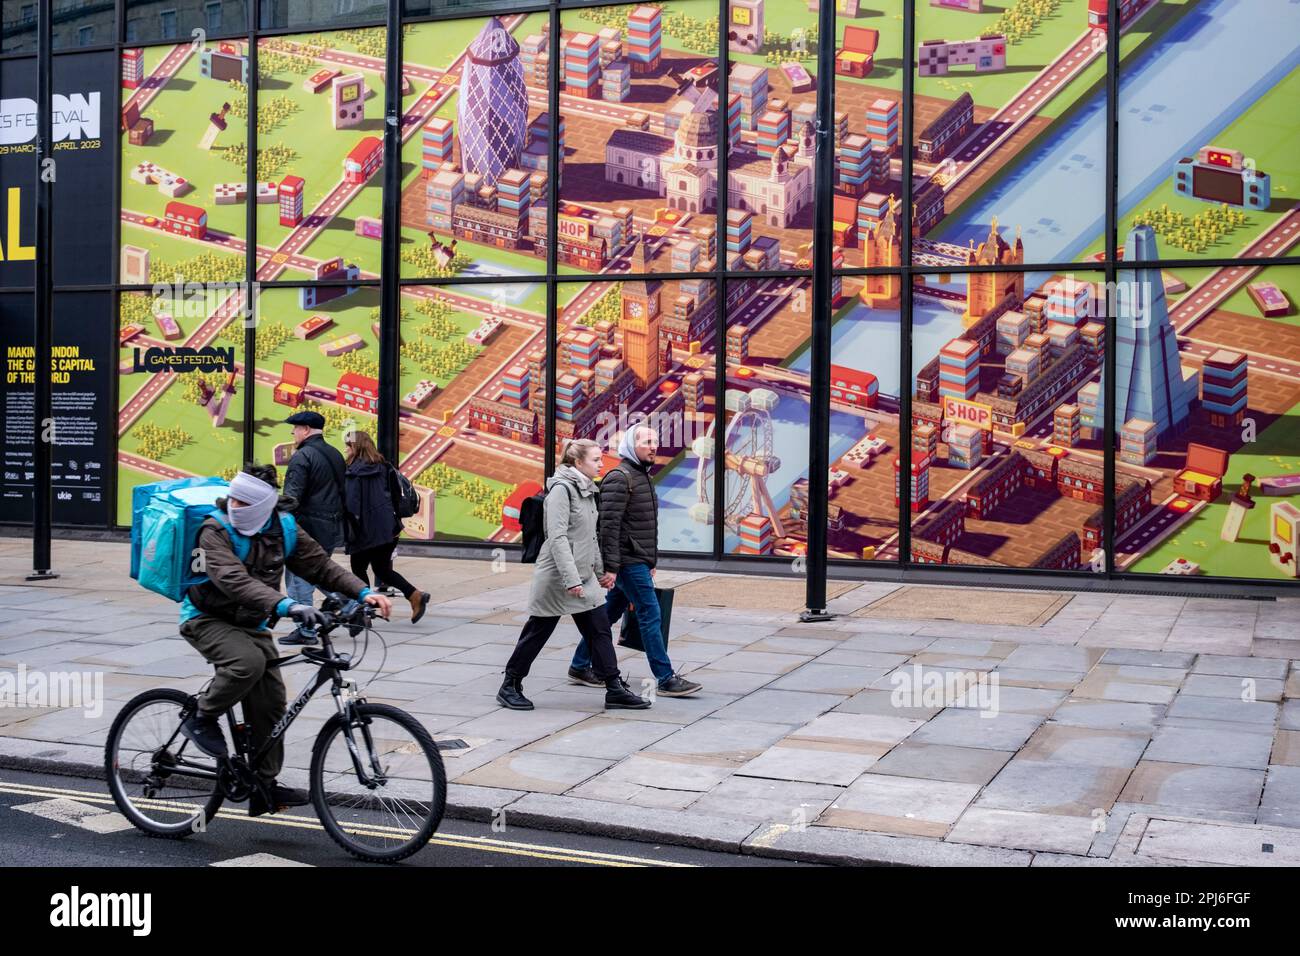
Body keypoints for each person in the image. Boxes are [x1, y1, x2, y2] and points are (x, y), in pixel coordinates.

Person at [177, 464, 392, 816]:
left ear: (264, 505)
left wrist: (364, 593)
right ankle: (201, 716)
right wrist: (288, 605)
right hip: (206, 618)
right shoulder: (214, 529)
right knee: (247, 664)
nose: (234, 506)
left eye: (244, 502)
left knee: (272, 702)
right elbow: (232, 579)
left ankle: (263, 786)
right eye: (233, 498)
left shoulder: (284, 528)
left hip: (251, 621)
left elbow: (321, 567)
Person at [497, 439, 648, 712]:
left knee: (599, 629)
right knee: (538, 631)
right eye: (595, 460)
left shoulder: (588, 489)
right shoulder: (561, 491)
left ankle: (614, 687)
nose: (602, 464)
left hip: (582, 577)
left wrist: (601, 572)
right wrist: (571, 579)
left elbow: (590, 538)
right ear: (578, 463)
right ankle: (510, 685)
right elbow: (557, 538)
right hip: (557, 576)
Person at [568, 425, 701, 697]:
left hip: (636, 559)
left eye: (656, 441)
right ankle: (665, 677)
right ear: (632, 446)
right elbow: (608, 527)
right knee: (650, 613)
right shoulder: (621, 478)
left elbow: (644, 526)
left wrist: (651, 560)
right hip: (627, 562)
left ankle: (580, 664)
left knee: (609, 613)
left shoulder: (642, 476)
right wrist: (611, 568)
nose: (654, 446)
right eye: (646, 442)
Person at [342, 430, 431, 623]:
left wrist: (348, 529)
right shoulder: (385, 467)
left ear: (355, 447)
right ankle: (415, 595)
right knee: (382, 569)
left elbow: (352, 504)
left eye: (348, 445)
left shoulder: (353, 472)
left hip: (365, 530)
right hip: (389, 529)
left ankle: (364, 611)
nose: (345, 449)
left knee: (358, 569)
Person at [280, 410, 347, 646]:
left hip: (307, 525)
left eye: (295, 428)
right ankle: (352, 603)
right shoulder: (335, 453)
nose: (292, 432)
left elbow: (292, 497)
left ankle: (305, 630)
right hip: (331, 525)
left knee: (298, 577)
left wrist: (272, 510)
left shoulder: (303, 456)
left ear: (305, 429)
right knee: (319, 571)